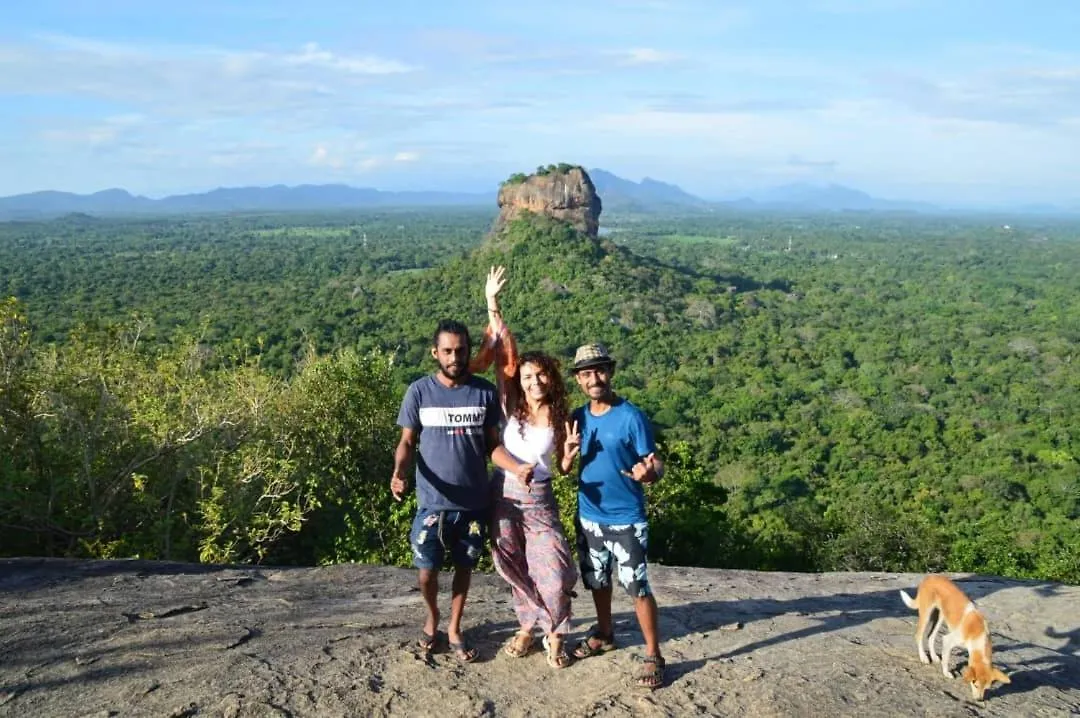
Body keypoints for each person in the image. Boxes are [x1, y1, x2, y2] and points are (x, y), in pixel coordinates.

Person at [390, 318, 523, 663]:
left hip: (474, 503)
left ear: (468, 352)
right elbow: (407, 441)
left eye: (461, 350)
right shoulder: (419, 391)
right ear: (435, 352)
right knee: (426, 570)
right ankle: (432, 617)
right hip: (432, 503)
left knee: (465, 567)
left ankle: (453, 627)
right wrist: (399, 472)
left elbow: (492, 446)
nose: (454, 357)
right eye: (447, 351)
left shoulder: (484, 393)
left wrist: (516, 467)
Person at [473, 266, 578, 669]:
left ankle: (556, 631)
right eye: (529, 376)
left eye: (542, 376)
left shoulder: (562, 416)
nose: (535, 382)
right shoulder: (509, 405)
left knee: (552, 568)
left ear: (551, 379)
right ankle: (528, 627)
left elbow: (563, 468)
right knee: (512, 562)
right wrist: (492, 302)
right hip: (502, 495)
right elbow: (502, 351)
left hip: (540, 500)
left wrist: (567, 457)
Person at [564, 342, 667, 689]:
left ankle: (653, 654)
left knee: (636, 584)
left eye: (599, 370)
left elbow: (654, 461)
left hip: (626, 517)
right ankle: (605, 632)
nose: (594, 378)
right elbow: (566, 465)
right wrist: (565, 458)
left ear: (610, 372)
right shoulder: (577, 418)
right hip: (589, 515)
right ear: (579, 380)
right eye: (586, 373)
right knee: (597, 580)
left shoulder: (630, 416)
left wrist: (650, 474)